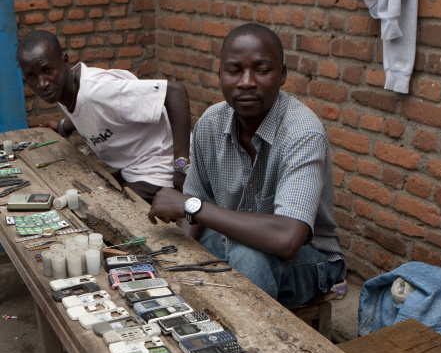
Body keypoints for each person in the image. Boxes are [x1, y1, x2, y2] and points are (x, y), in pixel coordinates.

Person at [148, 23, 346, 308]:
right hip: (234, 241)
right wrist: (181, 255)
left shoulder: (302, 134)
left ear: (283, 75)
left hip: (308, 260)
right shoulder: (210, 123)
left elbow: (288, 239)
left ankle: (247, 347)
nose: (246, 82)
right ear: (220, 75)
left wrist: (191, 207)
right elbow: (192, 212)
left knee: (247, 256)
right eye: (234, 70)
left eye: (262, 70)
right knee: (167, 248)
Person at [17, 30, 191, 203]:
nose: (42, 83)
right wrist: (64, 126)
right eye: (31, 76)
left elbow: (175, 93)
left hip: (161, 167)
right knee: (89, 192)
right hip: (134, 167)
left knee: (105, 208)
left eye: (48, 70)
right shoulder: (65, 89)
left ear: (64, 61)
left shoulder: (98, 90)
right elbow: (93, 112)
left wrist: (181, 167)